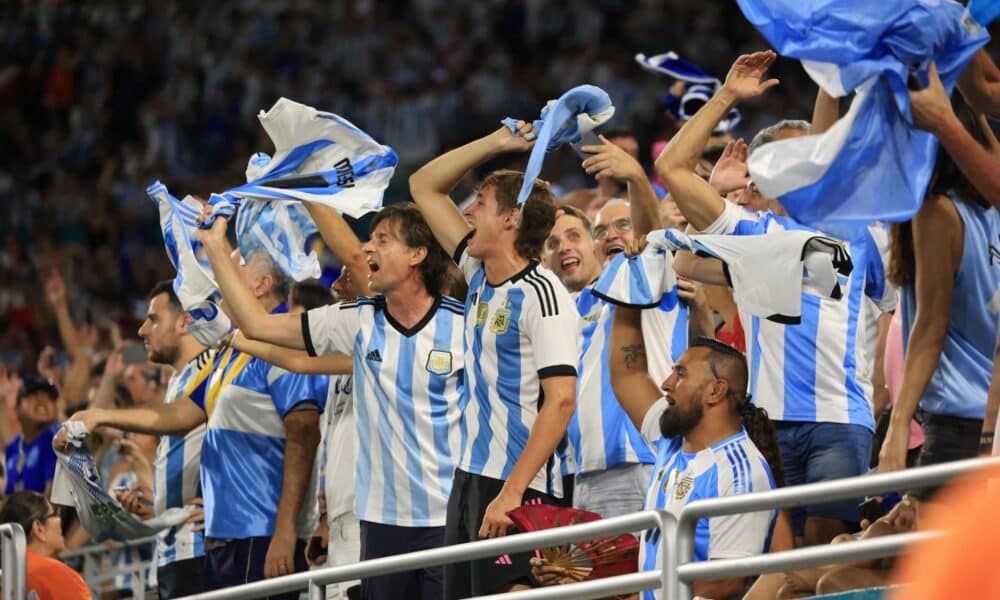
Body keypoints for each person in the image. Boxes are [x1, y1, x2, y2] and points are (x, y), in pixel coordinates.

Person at [657, 51, 893, 545]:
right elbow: (672, 169)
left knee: (825, 559)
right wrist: (725, 99)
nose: (809, 165)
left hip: (840, 422)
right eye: (791, 158)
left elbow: (897, 309)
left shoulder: (865, 233)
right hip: (768, 425)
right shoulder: (756, 233)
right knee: (773, 567)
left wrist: (888, 398)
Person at [198, 203, 465, 600]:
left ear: (417, 254)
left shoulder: (463, 327)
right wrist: (216, 245)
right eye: (369, 238)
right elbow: (259, 325)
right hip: (379, 525)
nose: (368, 248)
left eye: (382, 239)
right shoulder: (357, 321)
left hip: (448, 519)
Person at [63, 252, 327, 598]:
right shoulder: (232, 350)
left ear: (261, 286)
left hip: (262, 532)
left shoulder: (283, 341)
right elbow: (179, 415)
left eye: (233, 272)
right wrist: (99, 415)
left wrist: (285, 528)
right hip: (225, 536)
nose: (219, 284)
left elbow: (304, 431)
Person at [410, 122, 580, 597]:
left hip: (518, 484)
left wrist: (512, 492)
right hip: (469, 478)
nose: (467, 212)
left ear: (511, 219)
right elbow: (423, 185)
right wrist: (497, 143)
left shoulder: (543, 295)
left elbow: (561, 401)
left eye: (480, 204)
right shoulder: (479, 275)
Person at [536, 304, 777, 600]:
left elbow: (723, 584)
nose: (666, 383)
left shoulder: (742, 472)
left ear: (715, 391)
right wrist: (626, 295)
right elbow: (629, 376)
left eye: (680, 374)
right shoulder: (671, 442)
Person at [880, 92, 1000, 480]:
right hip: (989, 420)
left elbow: (931, 325)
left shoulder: (936, 212)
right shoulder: (992, 205)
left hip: (956, 421)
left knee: (928, 543)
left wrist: (897, 426)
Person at [98, 280, 210, 598]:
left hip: (199, 548)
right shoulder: (179, 380)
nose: (142, 330)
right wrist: (156, 498)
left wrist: (224, 505)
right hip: (170, 548)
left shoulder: (212, 371)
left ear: (185, 322)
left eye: (154, 319)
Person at [0, 490, 90, 600]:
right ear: (38, 528)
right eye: (55, 514)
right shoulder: (58, 575)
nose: (60, 520)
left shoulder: (6, 574)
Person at [6, 375, 60, 495]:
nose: (42, 401)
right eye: (32, 395)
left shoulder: (58, 439)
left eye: (49, 397)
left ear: (57, 409)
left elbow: (54, 501)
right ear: (17, 409)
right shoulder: (13, 446)